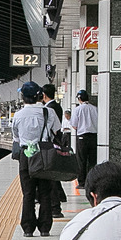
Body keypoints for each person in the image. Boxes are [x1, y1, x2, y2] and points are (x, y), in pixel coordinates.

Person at [11, 81, 61, 237]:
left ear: (23, 97)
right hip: (44, 155)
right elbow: (57, 131)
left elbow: (16, 138)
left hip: (26, 155)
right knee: (45, 192)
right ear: (39, 95)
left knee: (28, 193)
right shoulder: (48, 113)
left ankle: (28, 228)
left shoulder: (18, 115)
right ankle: (45, 228)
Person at [43, 84, 67, 218]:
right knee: (53, 175)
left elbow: (54, 128)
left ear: (44, 95)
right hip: (56, 142)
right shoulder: (57, 106)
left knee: (50, 175)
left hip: (49, 144)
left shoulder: (49, 109)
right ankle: (60, 196)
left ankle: (55, 204)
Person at [70, 90, 98, 188]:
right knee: (92, 161)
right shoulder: (95, 109)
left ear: (79, 99)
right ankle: (92, 182)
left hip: (82, 137)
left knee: (81, 160)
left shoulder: (78, 109)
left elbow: (74, 125)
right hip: (94, 136)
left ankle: (82, 182)